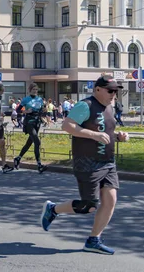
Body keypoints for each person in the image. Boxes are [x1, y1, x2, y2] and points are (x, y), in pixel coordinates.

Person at [40, 76, 128, 255]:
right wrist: (93, 135)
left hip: (108, 162)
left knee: (110, 200)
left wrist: (119, 136)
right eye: (110, 90)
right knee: (89, 206)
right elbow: (67, 125)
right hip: (88, 163)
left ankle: (93, 240)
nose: (114, 94)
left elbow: (106, 130)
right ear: (97, 90)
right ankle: (53, 209)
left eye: (116, 91)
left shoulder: (109, 107)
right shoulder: (85, 105)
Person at [13, 83, 47, 173]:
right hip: (29, 122)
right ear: (30, 90)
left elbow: (42, 110)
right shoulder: (25, 99)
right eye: (33, 90)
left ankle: (18, 158)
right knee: (37, 141)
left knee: (29, 142)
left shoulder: (40, 99)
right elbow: (17, 110)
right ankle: (39, 164)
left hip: (37, 122)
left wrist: (44, 110)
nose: (35, 91)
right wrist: (25, 111)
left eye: (36, 90)